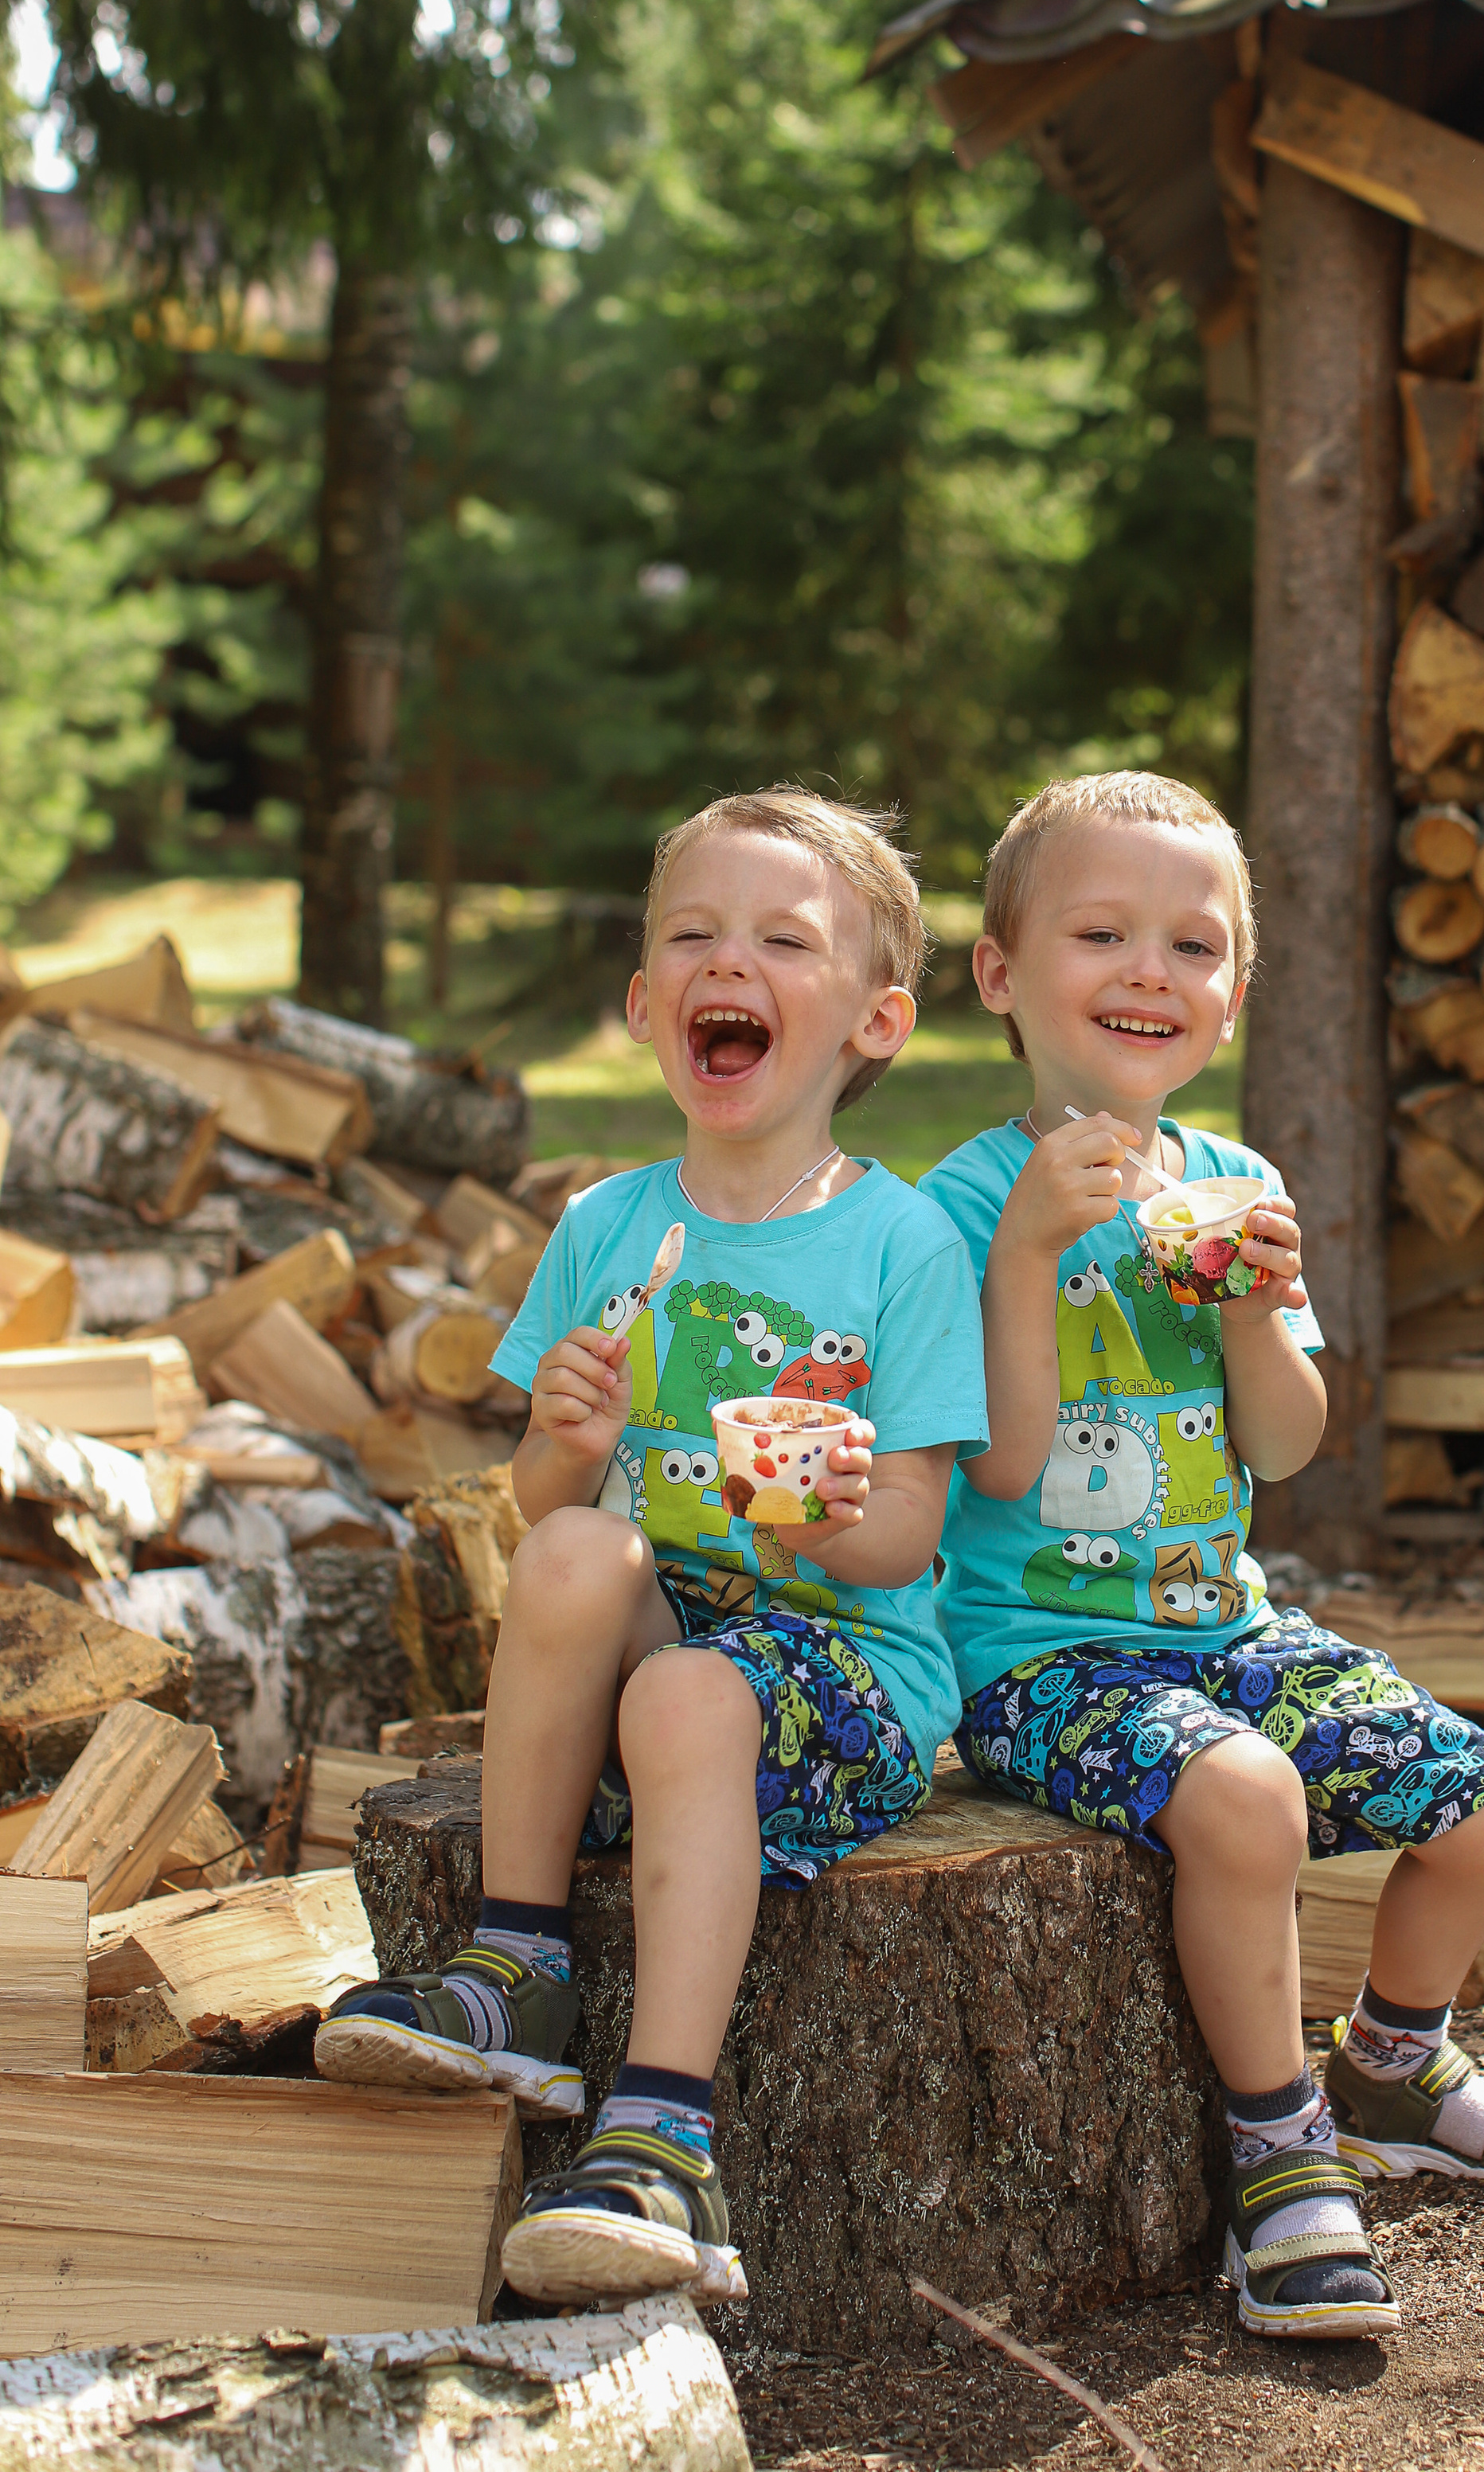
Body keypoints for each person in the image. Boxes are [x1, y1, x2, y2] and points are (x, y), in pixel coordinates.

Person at [918, 771, 1484, 2345]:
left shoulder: (1240, 1183)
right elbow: (999, 1467)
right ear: (1001, 975)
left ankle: (1393, 2066)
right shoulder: (954, 1209)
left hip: (1225, 1629)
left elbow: (1288, 1448)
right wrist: (1026, 1255)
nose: (1150, 971)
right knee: (1248, 1803)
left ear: (1234, 992)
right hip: (1039, 1658)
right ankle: (1278, 2149)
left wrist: (1245, 1307)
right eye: (1102, 933)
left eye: (1194, 945)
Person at [315, 789, 986, 2311]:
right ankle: (518, 1968)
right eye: (693, 935)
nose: (727, 961)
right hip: (649, 1665)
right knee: (569, 1557)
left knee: (689, 1694)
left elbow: (907, 1542)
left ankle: (665, 2132)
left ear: (875, 1022)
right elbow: (540, 1498)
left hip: (843, 1683)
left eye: (782, 942)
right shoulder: (606, 1226)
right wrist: (565, 1430)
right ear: (643, 1005)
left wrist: (826, 1518)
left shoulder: (902, 1246)